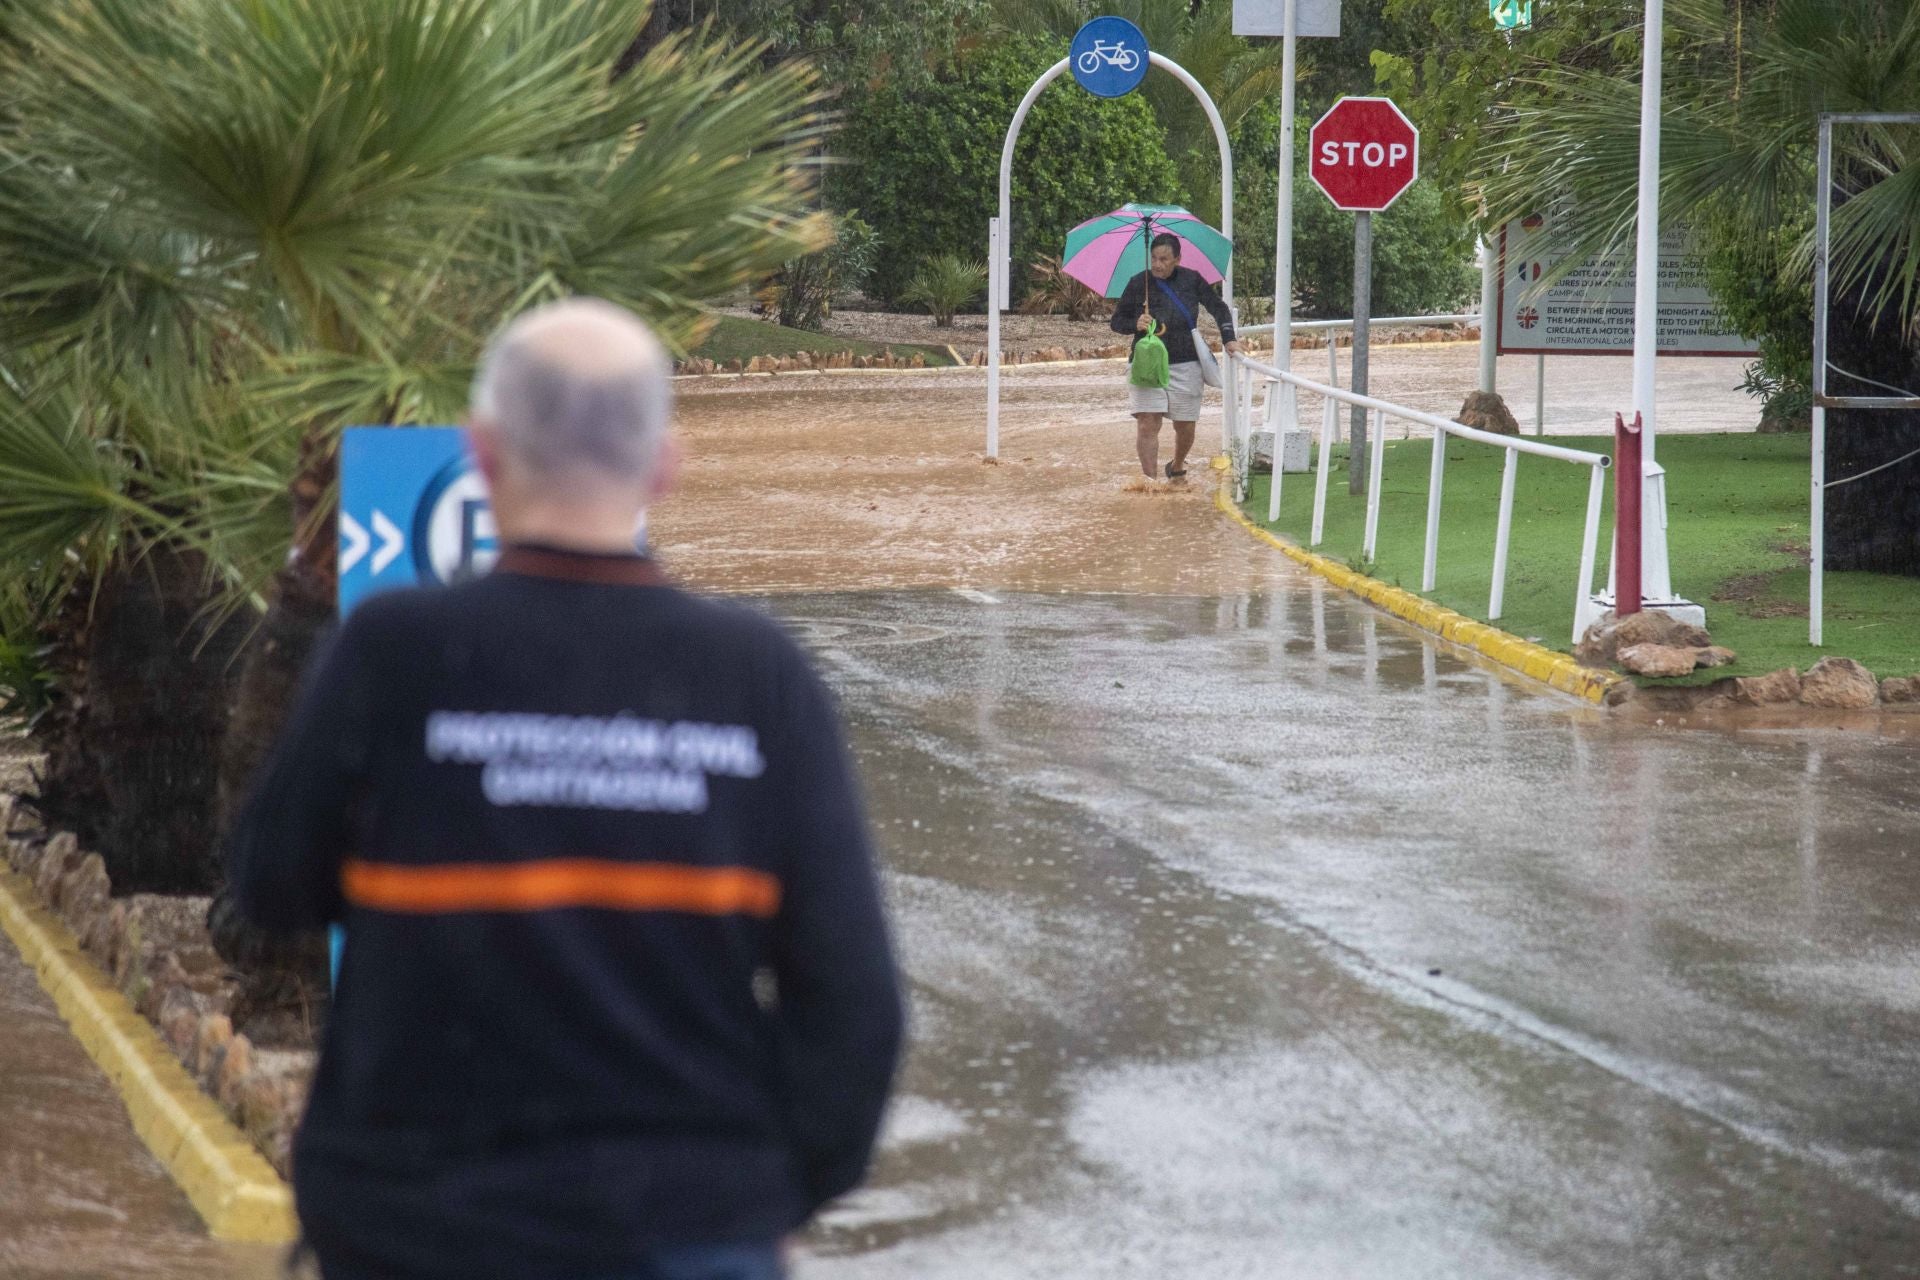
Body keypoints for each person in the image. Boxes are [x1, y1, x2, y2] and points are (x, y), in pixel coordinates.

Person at [226, 298, 905, 1280]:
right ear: (663, 464)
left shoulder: (394, 652)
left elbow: (267, 886)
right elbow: (855, 1003)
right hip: (691, 1229)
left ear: (484, 453)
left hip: (416, 1224)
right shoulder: (759, 677)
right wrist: (766, 1193)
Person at [1108, 231, 1243, 481]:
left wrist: (1229, 338)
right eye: (1154, 259)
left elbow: (1218, 307)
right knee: (1147, 422)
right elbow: (1116, 322)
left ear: (1178, 259)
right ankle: (1151, 482)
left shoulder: (1192, 280)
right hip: (1146, 364)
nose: (1158, 264)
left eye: (1164, 259)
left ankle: (1178, 464)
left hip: (1186, 362)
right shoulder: (1139, 283)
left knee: (1185, 424)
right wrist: (1135, 323)